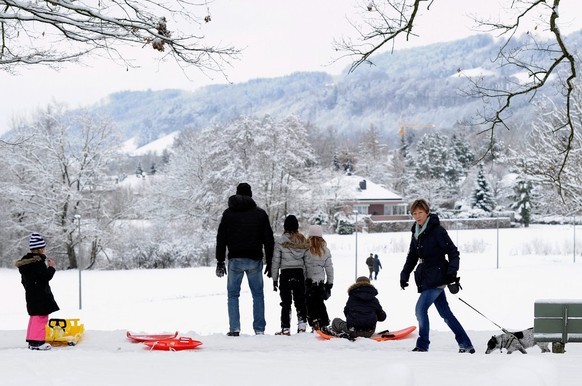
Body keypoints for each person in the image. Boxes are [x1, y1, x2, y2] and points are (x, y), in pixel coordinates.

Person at [400, 199, 475, 353]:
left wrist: (452, 273)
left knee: (420, 309)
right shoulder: (416, 231)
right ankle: (466, 344)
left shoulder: (437, 231)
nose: (417, 216)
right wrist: (404, 274)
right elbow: (412, 256)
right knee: (445, 314)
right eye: (414, 213)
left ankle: (422, 345)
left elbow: (453, 252)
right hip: (426, 276)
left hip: (438, 276)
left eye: (420, 212)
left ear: (427, 212)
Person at [215, 183, 275, 336]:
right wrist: (270, 260)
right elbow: (268, 239)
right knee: (258, 294)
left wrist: (220, 261)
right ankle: (259, 329)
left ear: (236, 194)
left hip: (235, 259)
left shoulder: (228, 214)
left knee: (233, 295)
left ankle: (234, 328)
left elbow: (221, 238)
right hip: (254, 260)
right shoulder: (260, 214)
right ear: (251, 194)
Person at [15, 233, 60, 350]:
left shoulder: (27, 263)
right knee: (41, 318)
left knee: (34, 317)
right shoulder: (38, 263)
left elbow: (25, 281)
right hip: (40, 295)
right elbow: (45, 277)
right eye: (43, 248)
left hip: (32, 295)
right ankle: (37, 342)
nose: (44, 250)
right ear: (40, 249)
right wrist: (51, 267)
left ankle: (32, 341)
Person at [271, 215, 309, 335]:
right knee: (300, 301)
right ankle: (302, 326)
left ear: (285, 227)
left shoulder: (280, 241)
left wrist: (275, 279)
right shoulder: (303, 240)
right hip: (299, 274)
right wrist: (307, 278)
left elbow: (276, 261)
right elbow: (307, 261)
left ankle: (285, 328)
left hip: (285, 274)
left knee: (286, 302)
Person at [322, 276, 386, 339]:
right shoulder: (374, 300)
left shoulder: (352, 298)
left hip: (353, 331)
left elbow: (346, 312)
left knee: (336, 321)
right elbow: (382, 317)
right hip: (369, 332)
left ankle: (338, 332)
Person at [304, 224, 334, 331]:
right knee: (320, 303)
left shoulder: (305, 250)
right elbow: (329, 268)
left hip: (308, 281)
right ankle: (324, 322)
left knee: (310, 303)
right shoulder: (325, 251)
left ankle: (314, 322)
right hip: (320, 282)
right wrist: (330, 283)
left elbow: (302, 266)